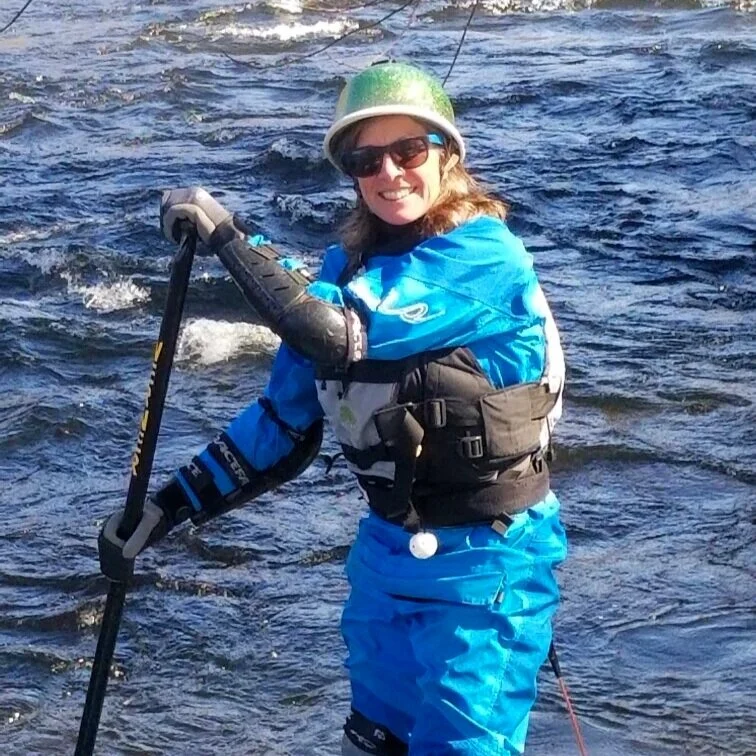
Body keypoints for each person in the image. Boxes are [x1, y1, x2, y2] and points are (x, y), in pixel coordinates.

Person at [99, 61, 568, 756]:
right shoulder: (343, 270)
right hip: (385, 560)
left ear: (447, 154)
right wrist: (165, 508)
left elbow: (334, 333)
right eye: (364, 159)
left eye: (408, 150)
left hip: (487, 564)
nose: (389, 173)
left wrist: (226, 236)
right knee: (371, 744)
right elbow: (281, 423)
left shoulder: (484, 255)